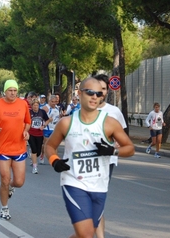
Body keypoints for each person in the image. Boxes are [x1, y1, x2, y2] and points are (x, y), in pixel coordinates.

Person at [45, 77, 134, 238]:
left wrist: (111, 151)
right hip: (73, 182)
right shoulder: (66, 123)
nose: (94, 97)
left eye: (99, 94)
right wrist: (54, 161)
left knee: (88, 233)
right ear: (79, 94)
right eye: (90, 92)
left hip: (99, 185)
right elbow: (50, 146)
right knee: (86, 234)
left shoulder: (110, 123)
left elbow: (130, 149)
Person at [0, 79, 31, 220]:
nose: (13, 93)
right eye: (10, 90)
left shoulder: (23, 104)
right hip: (2, 148)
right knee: (4, 179)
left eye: (15, 90)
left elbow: (28, 122)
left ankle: (11, 187)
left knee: (19, 181)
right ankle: (4, 208)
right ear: (5, 91)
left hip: (19, 147)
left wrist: (26, 131)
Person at [93, 73, 128, 238]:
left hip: (107, 161)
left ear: (107, 91)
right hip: (86, 161)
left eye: (103, 89)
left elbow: (124, 133)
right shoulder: (83, 110)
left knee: (98, 201)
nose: (99, 92)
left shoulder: (114, 111)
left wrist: (119, 142)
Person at [28, 99, 50, 174]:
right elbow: (25, 121)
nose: (35, 107)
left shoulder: (42, 112)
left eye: (37, 105)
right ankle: (35, 167)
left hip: (39, 134)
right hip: (31, 133)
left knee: (38, 152)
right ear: (32, 106)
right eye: (34, 105)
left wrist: (43, 126)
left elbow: (47, 120)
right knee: (34, 149)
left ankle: (32, 157)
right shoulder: (29, 112)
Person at [40, 95, 60, 164]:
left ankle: (55, 159)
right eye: (52, 102)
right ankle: (42, 155)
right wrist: (47, 121)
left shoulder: (57, 108)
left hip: (54, 129)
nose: (54, 103)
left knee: (55, 145)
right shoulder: (45, 108)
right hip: (47, 128)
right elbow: (40, 117)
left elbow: (58, 118)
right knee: (46, 145)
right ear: (49, 101)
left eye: (55, 102)